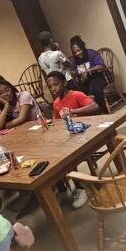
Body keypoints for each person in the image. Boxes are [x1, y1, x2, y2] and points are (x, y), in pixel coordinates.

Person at [44, 72, 93, 209]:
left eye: (56, 84)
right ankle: (62, 189)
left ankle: (80, 188)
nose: (53, 88)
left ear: (65, 83)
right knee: (51, 154)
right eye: (50, 86)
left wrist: (74, 111)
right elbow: (59, 122)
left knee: (65, 157)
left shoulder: (76, 95)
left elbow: (95, 106)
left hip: (85, 133)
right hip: (71, 135)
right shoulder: (56, 103)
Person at [68, 36, 109, 113]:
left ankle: (102, 111)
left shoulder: (91, 53)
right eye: (75, 52)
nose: (77, 53)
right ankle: (89, 112)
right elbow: (72, 71)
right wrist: (78, 72)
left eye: (79, 50)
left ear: (83, 47)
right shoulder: (75, 59)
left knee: (94, 90)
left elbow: (101, 66)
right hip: (85, 81)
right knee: (80, 93)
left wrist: (87, 71)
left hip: (97, 77)